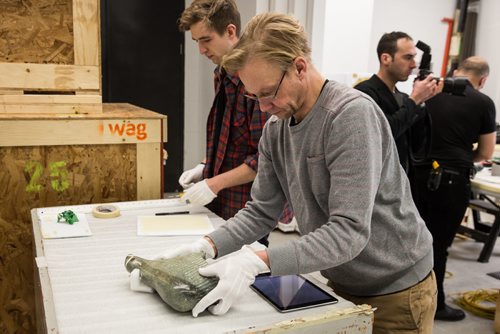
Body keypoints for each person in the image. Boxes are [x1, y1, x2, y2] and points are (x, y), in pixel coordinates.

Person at [138, 13, 437, 333]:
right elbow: (260, 211)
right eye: (254, 96)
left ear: (299, 67)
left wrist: (258, 261)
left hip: (397, 290)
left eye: (268, 92)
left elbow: (348, 233)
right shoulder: (277, 131)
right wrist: (207, 246)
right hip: (341, 282)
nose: (263, 107)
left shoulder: (350, 116)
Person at [177, 0, 292, 241]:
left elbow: (267, 158)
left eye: (206, 40)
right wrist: (204, 166)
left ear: (230, 32)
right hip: (224, 200)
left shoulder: (256, 80)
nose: (201, 50)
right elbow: (227, 135)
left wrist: (214, 184)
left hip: (250, 206)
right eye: (196, 42)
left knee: (246, 268)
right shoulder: (222, 73)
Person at [411, 56, 496, 321]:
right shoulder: (484, 103)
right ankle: (434, 306)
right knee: (438, 246)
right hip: (450, 182)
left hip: (415, 175)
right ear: (482, 80)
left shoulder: (430, 91)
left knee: (413, 242)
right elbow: (485, 152)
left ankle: (406, 299)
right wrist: (459, 158)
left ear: (456, 71)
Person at [355, 31, 440, 174]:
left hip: (400, 183)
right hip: (377, 185)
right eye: (408, 58)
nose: (414, 65)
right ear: (386, 58)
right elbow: (383, 134)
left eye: (414, 58)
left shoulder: (403, 98)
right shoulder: (364, 94)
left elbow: (417, 145)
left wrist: (421, 102)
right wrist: (415, 100)